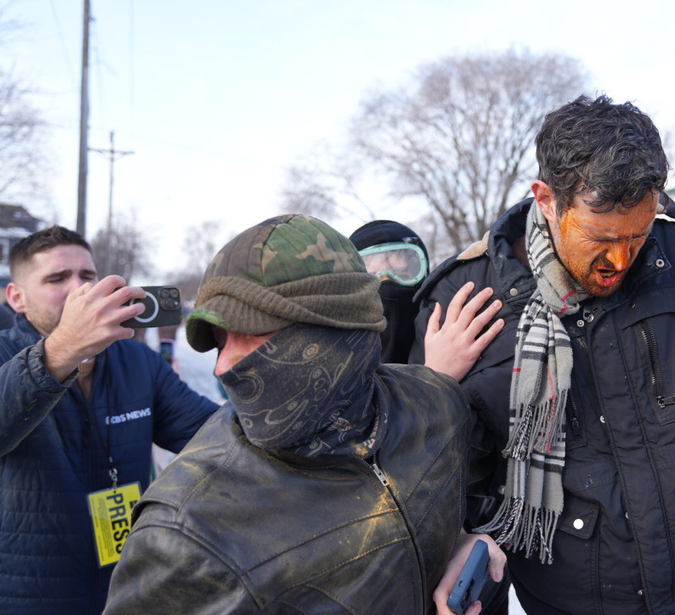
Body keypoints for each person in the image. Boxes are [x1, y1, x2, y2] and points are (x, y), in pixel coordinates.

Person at [412, 95, 675, 614]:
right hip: (577, 599)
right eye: (600, 237)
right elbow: (444, 461)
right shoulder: (464, 302)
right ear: (546, 199)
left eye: (637, 236)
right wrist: (458, 532)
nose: (618, 259)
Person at [104, 214, 505, 615]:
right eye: (220, 341)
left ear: (340, 326)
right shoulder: (184, 535)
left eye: (255, 334)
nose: (224, 367)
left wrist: (463, 544)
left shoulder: (437, 406)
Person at [0, 226, 219, 615]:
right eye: (57, 278)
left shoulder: (136, 361)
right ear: (17, 297)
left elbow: (213, 438)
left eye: (87, 276)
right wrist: (64, 349)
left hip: (124, 587)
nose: (79, 289)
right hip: (25, 595)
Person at [350, 219, 430, 363]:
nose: (387, 286)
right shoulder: (335, 355)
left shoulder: (449, 336)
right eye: (371, 279)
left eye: (403, 274)